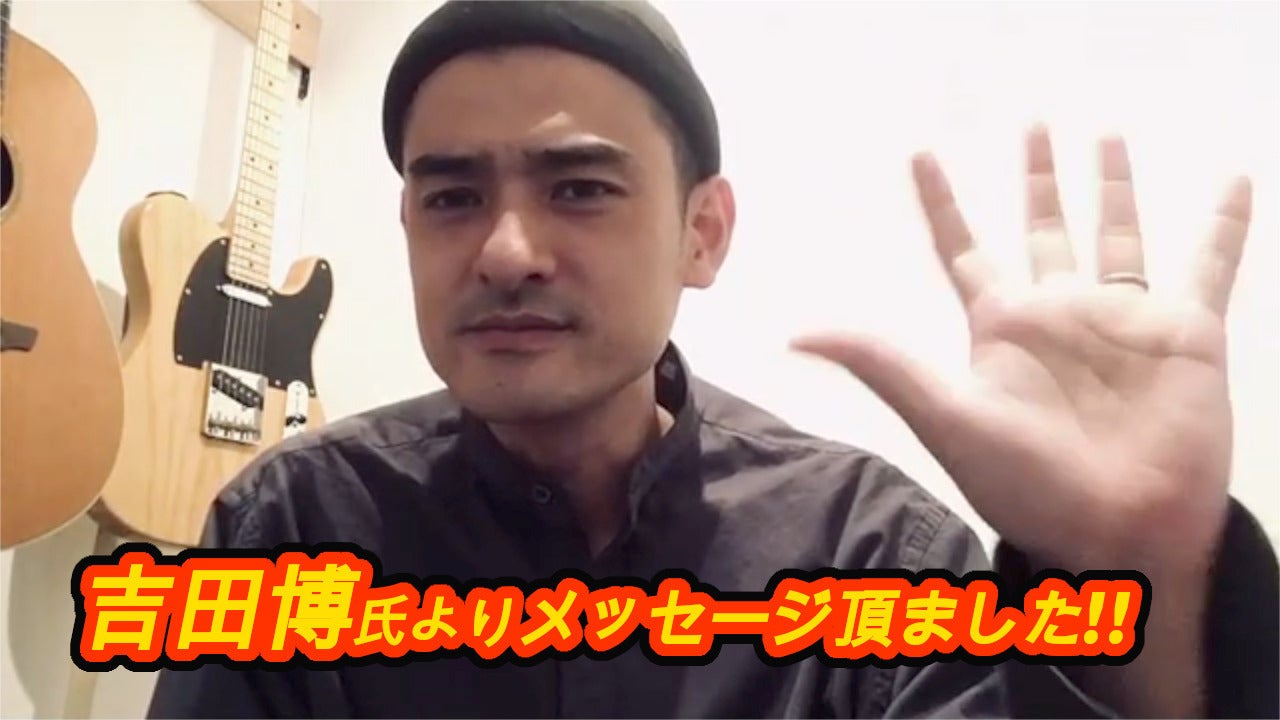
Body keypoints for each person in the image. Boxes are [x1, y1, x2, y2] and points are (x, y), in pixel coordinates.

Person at [145, 1, 1278, 717]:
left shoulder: (871, 557)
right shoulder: (289, 528)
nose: (505, 250)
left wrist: (1146, 580)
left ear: (703, 233)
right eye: (451, 197)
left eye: (578, 188)